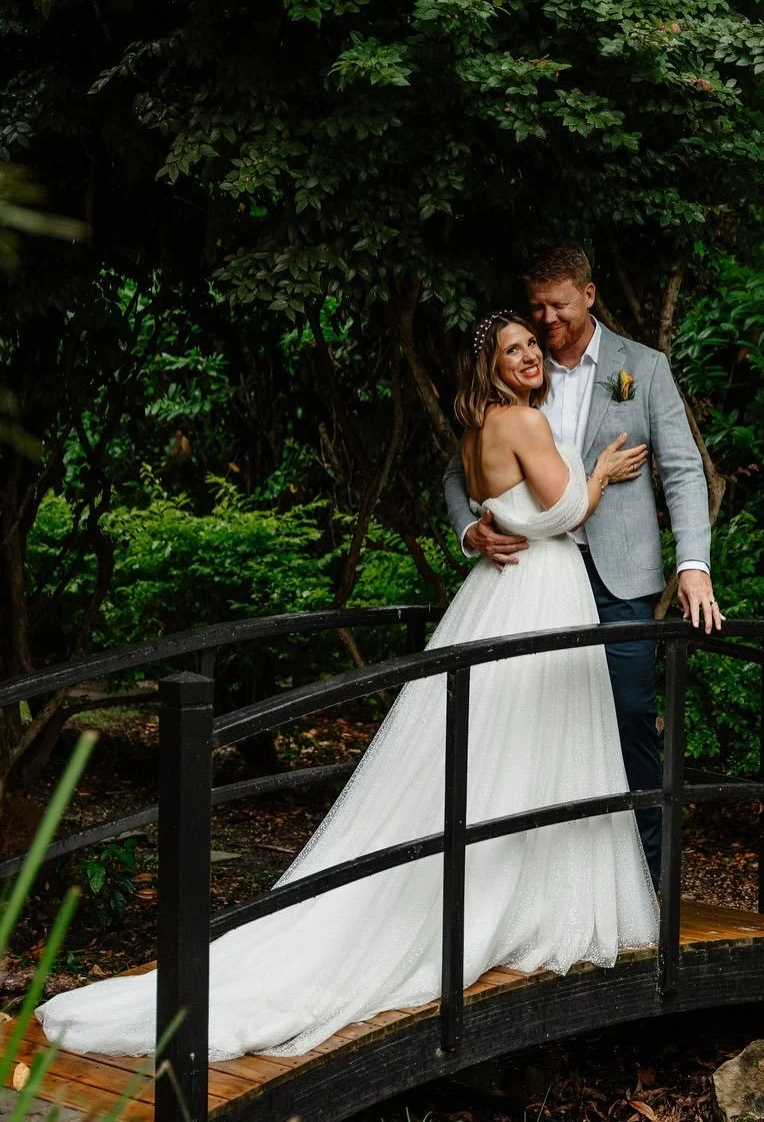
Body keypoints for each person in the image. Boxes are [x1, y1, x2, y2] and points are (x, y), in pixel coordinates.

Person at [36, 311, 659, 1062]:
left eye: (532, 344)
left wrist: (487, 524)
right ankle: (510, 906)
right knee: (521, 745)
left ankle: (517, 895)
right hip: (540, 588)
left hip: (501, 593)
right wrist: (596, 476)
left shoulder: (477, 429)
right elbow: (559, 509)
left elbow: (490, 498)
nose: (529, 355)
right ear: (492, 367)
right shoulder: (522, 418)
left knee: (507, 750)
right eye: (513, 349)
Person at [445, 244, 721, 889]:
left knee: (627, 723)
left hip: (621, 579)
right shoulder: (517, 386)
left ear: (589, 295)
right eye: (536, 308)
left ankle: (647, 888)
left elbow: (680, 470)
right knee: (534, 729)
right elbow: (457, 472)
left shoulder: (642, 368)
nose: (546, 321)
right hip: (534, 580)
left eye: (559, 306)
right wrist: (471, 527)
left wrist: (694, 564)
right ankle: (548, 887)